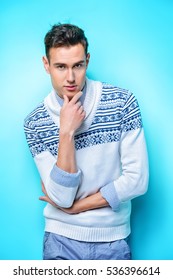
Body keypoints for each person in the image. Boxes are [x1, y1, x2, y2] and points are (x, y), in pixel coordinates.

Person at [24, 23, 149, 260]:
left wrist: (76, 208)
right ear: (46, 65)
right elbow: (62, 197)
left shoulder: (122, 102)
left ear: (87, 61)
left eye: (77, 65)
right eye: (60, 67)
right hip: (59, 240)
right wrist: (66, 132)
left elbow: (137, 181)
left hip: (112, 241)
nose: (70, 78)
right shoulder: (35, 122)